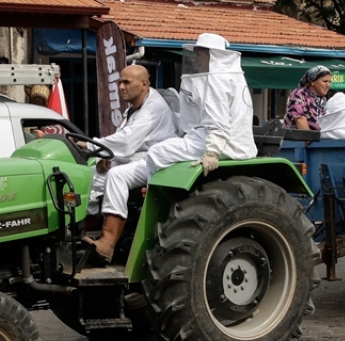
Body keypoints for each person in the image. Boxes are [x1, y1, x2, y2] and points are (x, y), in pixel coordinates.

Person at [84, 33, 255, 263]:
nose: (197, 58)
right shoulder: (215, 79)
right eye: (196, 53)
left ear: (214, 56)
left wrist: (213, 151)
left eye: (202, 54)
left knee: (158, 152)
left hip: (220, 142)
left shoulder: (218, 80)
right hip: (201, 137)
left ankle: (153, 195)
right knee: (115, 174)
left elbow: (219, 122)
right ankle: (107, 241)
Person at [84, 65, 178, 215]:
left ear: (144, 84)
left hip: (152, 161)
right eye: (120, 82)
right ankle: (86, 223)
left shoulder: (153, 109)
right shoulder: (134, 108)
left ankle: (111, 229)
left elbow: (126, 141)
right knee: (86, 177)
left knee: (115, 176)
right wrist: (103, 158)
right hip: (134, 157)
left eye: (126, 82)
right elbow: (122, 140)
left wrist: (89, 145)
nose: (121, 87)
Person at [285, 65, 332, 130]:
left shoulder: (323, 99)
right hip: (298, 139)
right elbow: (299, 119)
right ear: (312, 82)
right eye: (325, 81)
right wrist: (309, 140)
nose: (328, 85)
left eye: (329, 82)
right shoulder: (298, 95)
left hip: (321, 138)